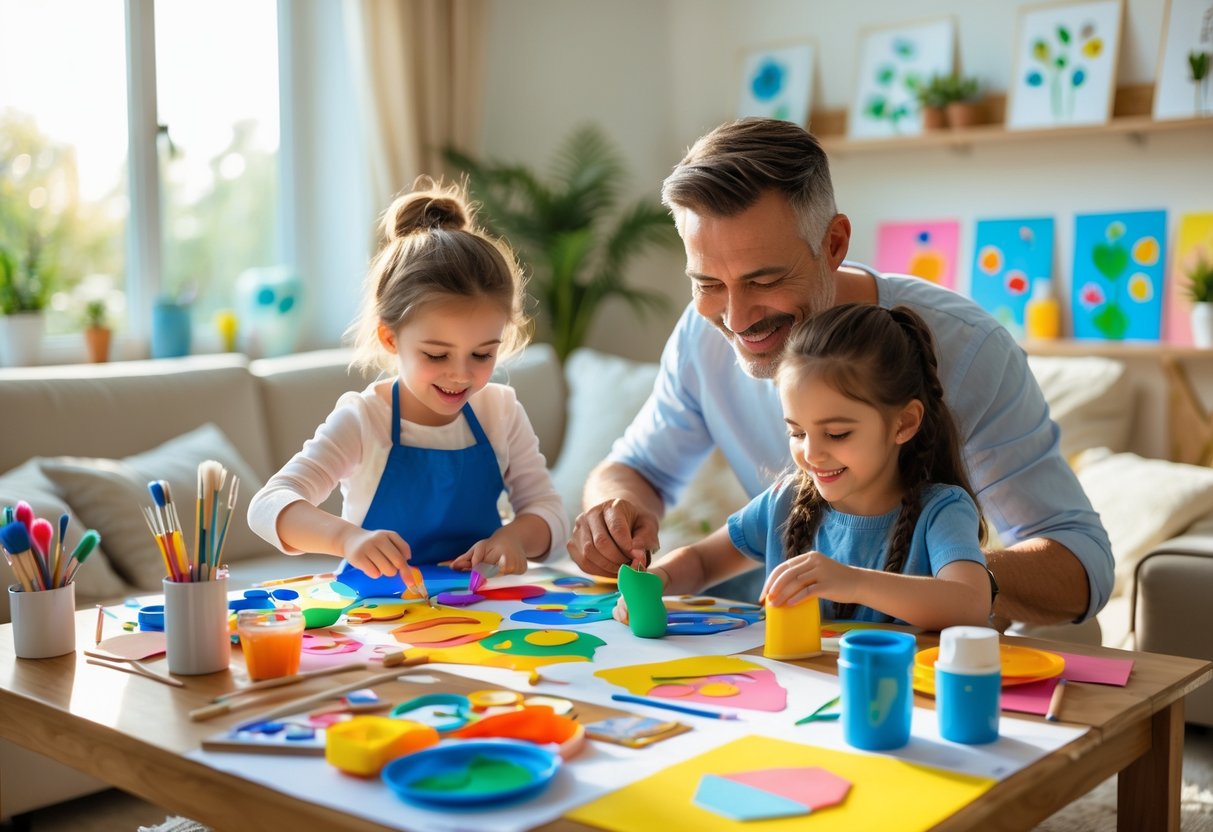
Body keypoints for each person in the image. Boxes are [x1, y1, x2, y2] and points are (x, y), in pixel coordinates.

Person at [570, 117, 1113, 627]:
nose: (735, 318)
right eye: (708, 283)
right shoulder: (700, 334)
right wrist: (613, 518)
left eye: (764, 280)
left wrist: (927, 571)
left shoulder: (969, 349)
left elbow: (1081, 565)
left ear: (833, 244)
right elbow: (638, 470)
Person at [248, 181, 568, 595]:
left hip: (483, 611)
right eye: (437, 355)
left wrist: (516, 537)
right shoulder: (364, 419)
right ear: (390, 339)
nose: (461, 376)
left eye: (483, 354)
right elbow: (267, 506)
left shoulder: (500, 412)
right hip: (380, 619)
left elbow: (551, 514)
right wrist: (347, 539)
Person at [616, 304, 992, 630]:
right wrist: (657, 580)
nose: (811, 454)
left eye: (837, 433)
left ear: (904, 423)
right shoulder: (785, 502)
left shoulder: (942, 511)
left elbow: (970, 603)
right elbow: (701, 562)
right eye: (796, 432)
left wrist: (851, 582)